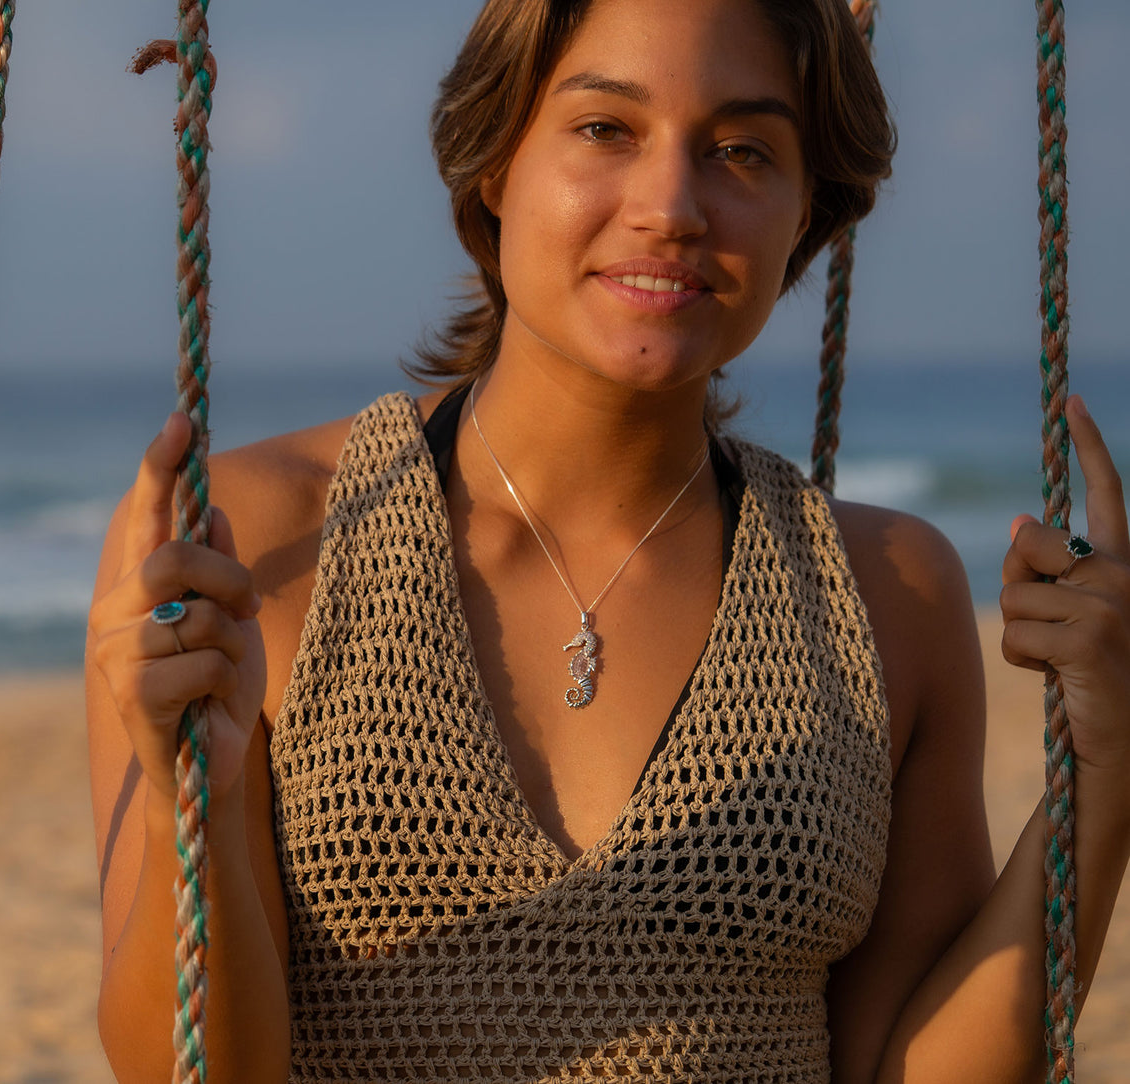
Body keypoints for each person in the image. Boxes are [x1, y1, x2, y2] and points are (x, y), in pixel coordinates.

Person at [85, 0, 1130, 1080]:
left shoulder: (886, 592)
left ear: (806, 211)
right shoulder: (245, 547)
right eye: (603, 130)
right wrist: (188, 806)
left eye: (740, 151)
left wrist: (1104, 774)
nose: (670, 207)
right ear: (494, 164)